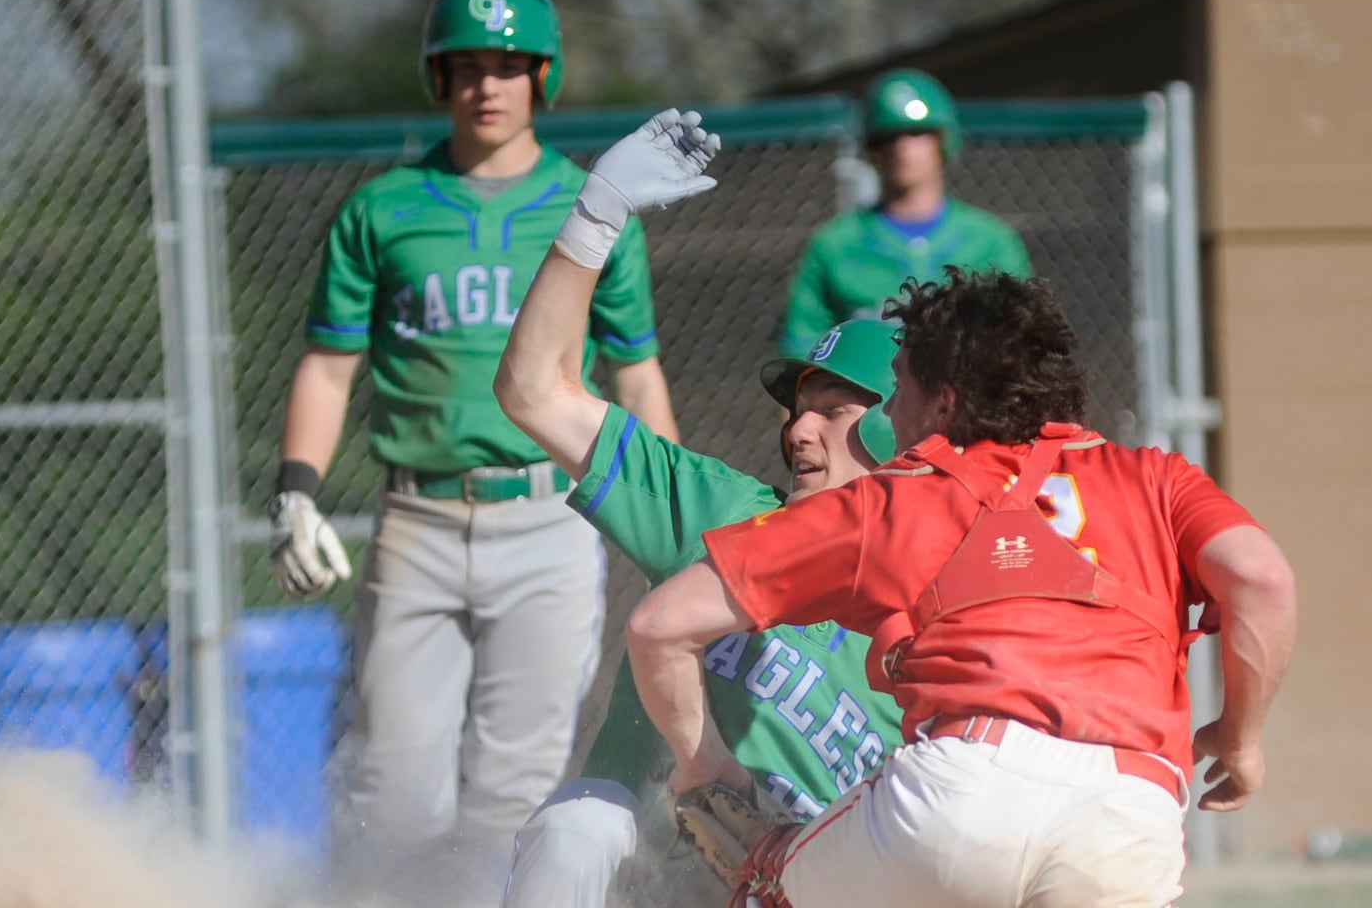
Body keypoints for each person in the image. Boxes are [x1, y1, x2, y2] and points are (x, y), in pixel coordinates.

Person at [627, 268, 1299, 907]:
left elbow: (659, 624)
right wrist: (1240, 739)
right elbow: (1262, 579)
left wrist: (703, 767)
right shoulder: (1154, 475)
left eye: (899, 389)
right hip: (1130, 809)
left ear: (943, 400)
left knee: (767, 875)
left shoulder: (897, 496)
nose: (892, 409)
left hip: (962, 794)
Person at [266, 0, 680, 898]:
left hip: (548, 520)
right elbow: (329, 366)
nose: (484, 85)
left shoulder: (588, 206)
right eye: (464, 66)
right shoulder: (381, 209)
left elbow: (636, 371)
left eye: (506, 64)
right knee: (394, 792)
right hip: (414, 522)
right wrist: (296, 488)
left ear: (542, 76)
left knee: (512, 794)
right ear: (438, 79)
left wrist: (669, 519)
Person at [490, 109, 903, 908]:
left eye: (832, 410)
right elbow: (533, 391)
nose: (798, 428)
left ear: (895, 429)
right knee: (574, 832)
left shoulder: (936, 612)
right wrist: (596, 212)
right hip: (639, 857)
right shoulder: (724, 509)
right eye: (796, 408)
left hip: (797, 885)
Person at [777, 67, 1032, 358]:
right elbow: (800, 350)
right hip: (869, 400)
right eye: (889, 136)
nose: (902, 146)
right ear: (873, 150)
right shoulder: (834, 244)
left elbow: (1023, 346)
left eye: (917, 132)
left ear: (944, 140)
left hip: (967, 400)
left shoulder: (992, 241)